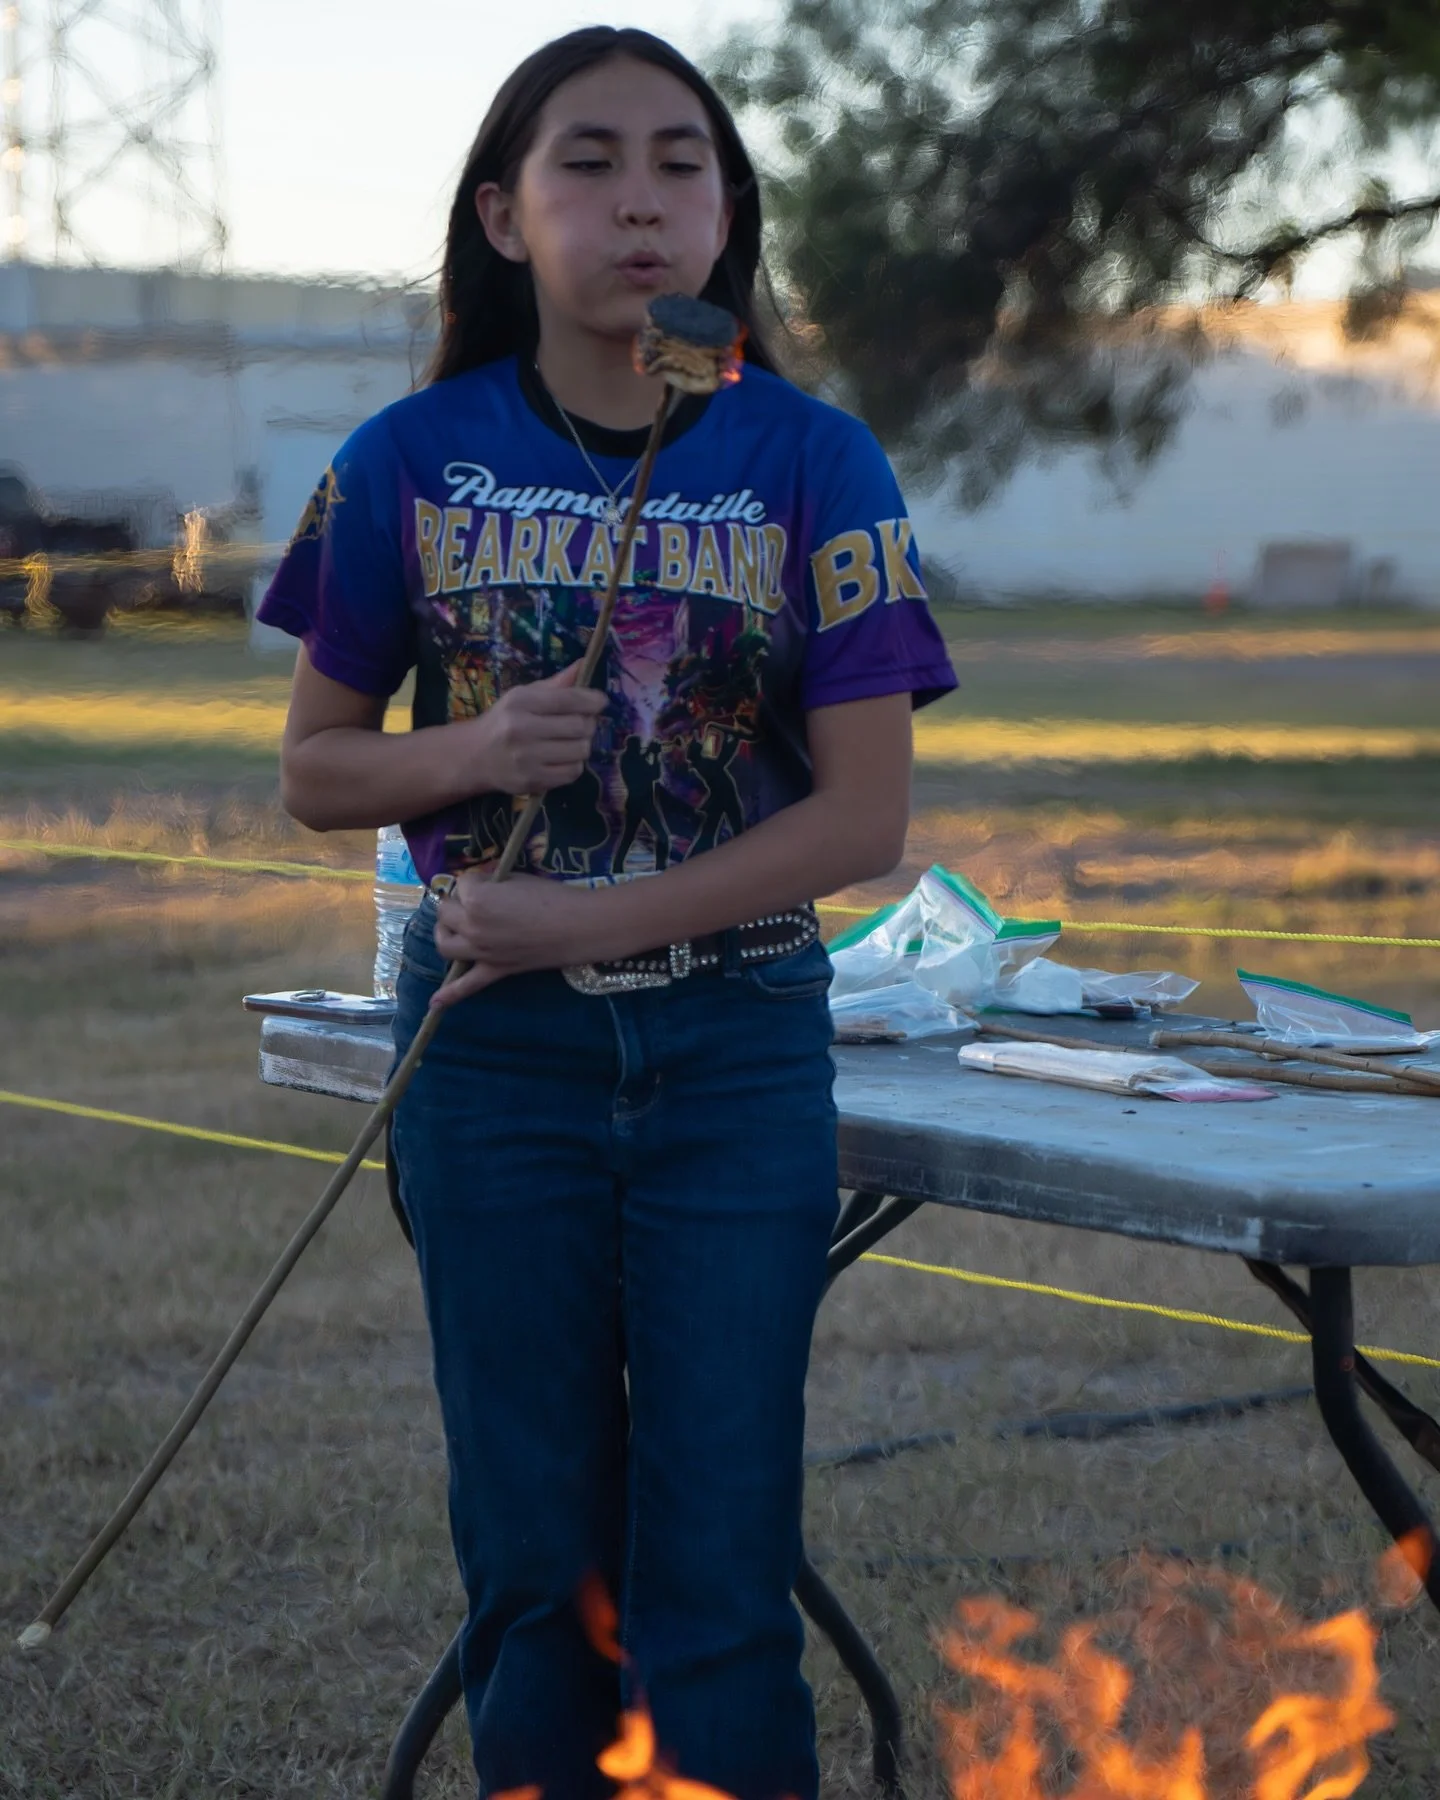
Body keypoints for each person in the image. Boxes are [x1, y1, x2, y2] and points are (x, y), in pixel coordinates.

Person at [259, 26, 956, 1800]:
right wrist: (479, 746)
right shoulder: (408, 459)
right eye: (589, 162)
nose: (639, 201)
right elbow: (320, 770)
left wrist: (599, 917)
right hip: (497, 1068)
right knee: (531, 1570)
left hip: (734, 1055)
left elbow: (865, 820)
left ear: (727, 215)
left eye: (681, 163)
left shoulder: (814, 463)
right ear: (502, 214)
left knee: (718, 1574)